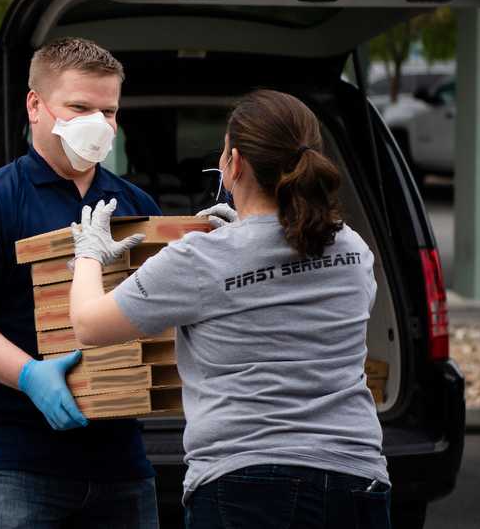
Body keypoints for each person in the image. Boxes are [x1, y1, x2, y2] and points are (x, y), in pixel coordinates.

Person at [69, 89, 392, 529]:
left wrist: (89, 253)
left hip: (246, 486)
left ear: (234, 163)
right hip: (357, 482)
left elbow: (89, 324)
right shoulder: (352, 248)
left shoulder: (203, 258)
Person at [0, 37, 161, 529]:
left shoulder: (136, 207)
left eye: (109, 111)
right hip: (13, 466)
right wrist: (30, 375)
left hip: (121, 466)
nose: (98, 123)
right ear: (35, 106)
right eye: (80, 108)